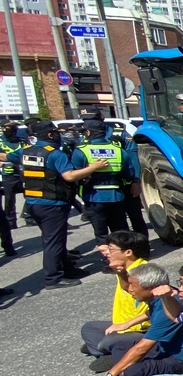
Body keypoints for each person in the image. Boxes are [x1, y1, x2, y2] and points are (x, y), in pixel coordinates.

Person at [1, 119, 109, 287]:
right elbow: (69, 176)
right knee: (54, 242)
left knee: (55, 239)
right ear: (50, 134)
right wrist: (94, 167)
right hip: (52, 203)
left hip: (33, 202)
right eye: (56, 133)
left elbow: (5, 157)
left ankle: (67, 269)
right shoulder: (55, 154)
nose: (58, 136)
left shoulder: (25, 151)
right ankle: (54, 278)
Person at [99, 262, 183, 376]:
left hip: (179, 359)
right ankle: (125, 366)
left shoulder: (168, 306)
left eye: (133, 286)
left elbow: (142, 348)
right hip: (163, 347)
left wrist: (111, 374)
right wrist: (127, 324)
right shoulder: (159, 294)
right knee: (119, 346)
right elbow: (149, 310)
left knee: (133, 369)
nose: (130, 290)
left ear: (151, 288)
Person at [79, 230, 150, 360]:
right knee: (89, 328)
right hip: (121, 325)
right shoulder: (125, 267)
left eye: (111, 249)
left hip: (140, 329)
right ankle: (106, 350)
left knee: (108, 342)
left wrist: (121, 273)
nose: (106, 253)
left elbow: (129, 289)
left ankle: (111, 355)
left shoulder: (145, 271)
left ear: (128, 252)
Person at [72, 112, 134, 248]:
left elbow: (75, 175)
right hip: (117, 196)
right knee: (121, 232)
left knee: (101, 234)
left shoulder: (81, 151)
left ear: (88, 132)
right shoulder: (118, 150)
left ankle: (108, 262)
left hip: (93, 198)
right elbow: (129, 174)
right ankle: (125, 259)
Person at [1, 119, 24, 231]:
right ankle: (10, 222)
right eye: (11, 127)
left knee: (30, 195)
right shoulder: (1, 141)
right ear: (3, 128)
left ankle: (29, 217)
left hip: (23, 172)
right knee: (9, 199)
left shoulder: (21, 140)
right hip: (7, 174)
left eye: (15, 127)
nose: (14, 129)